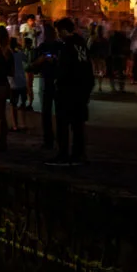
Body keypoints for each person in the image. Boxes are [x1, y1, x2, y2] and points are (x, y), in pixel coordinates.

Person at [48, 17, 94, 166]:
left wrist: (57, 81)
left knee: (63, 124)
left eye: (58, 32)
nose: (58, 35)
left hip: (67, 90)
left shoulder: (66, 46)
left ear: (62, 30)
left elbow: (64, 69)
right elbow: (88, 67)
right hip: (82, 90)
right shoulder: (81, 43)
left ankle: (63, 154)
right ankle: (78, 154)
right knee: (78, 125)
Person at [29, 23, 62, 149]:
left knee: (51, 112)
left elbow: (33, 65)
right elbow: (34, 64)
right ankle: (51, 139)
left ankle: (52, 140)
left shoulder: (58, 46)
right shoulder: (45, 47)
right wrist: (43, 59)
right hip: (49, 79)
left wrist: (51, 59)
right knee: (48, 111)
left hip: (53, 80)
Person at [10, 37, 30, 131]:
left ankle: (15, 125)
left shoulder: (8, 55)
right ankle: (24, 123)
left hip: (12, 82)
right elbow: (27, 59)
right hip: (22, 81)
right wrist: (21, 49)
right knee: (23, 103)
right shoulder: (20, 54)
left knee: (13, 105)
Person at [108, 26, 130, 93]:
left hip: (114, 58)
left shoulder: (112, 39)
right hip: (121, 58)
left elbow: (110, 49)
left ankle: (113, 88)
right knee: (121, 73)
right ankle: (121, 88)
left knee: (113, 73)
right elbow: (127, 49)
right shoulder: (124, 39)